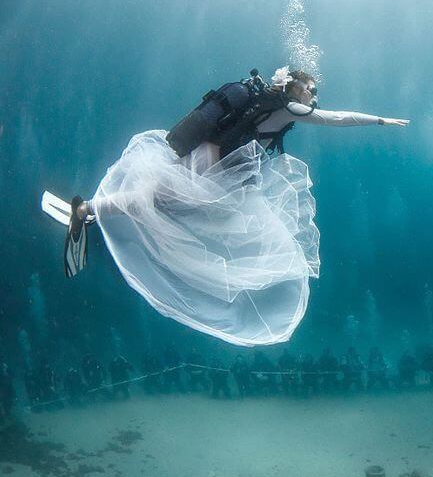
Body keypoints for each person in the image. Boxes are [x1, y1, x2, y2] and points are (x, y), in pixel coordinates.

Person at [44, 67, 409, 346]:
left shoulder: (269, 101)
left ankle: (88, 210)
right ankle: (84, 211)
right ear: (294, 87)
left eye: (315, 90)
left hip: (216, 163)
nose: (314, 94)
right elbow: (334, 118)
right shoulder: (291, 107)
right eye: (309, 87)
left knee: (159, 202)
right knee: (157, 202)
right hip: (214, 166)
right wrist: (379, 120)